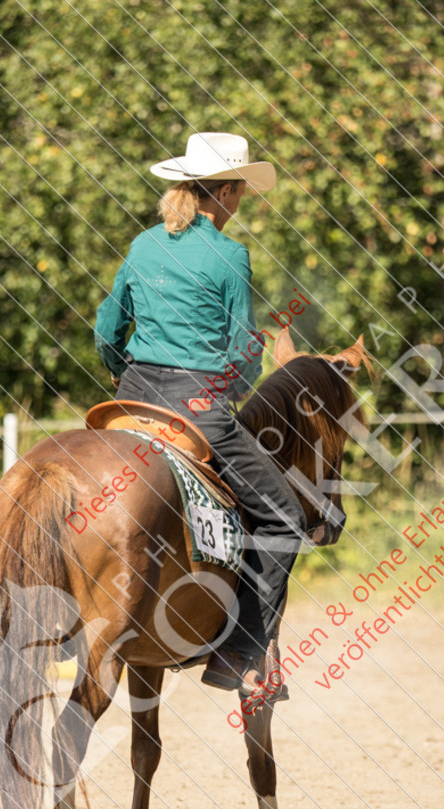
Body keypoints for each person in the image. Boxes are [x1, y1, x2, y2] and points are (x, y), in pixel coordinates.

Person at [95, 131, 306, 695]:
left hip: (133, 394)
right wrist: (231, 392)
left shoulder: (143, 245)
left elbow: (107, 329)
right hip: (196, 405)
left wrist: (122, 376)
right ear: (230, 192)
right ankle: (239, 653)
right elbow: (242, 349)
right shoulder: (230, 255)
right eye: (241, 193)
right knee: (285, 516)